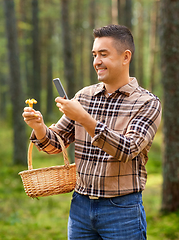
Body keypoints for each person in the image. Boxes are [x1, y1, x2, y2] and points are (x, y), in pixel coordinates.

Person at [22, 24, 162, 240]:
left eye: (103, 54)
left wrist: (85, 119)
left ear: (126, 57)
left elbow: (128, 149)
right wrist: (39, 127)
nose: (96, 61)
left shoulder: (146, 103)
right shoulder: (84, 96)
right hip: (80, 207)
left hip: (122, 209)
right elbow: (54, 145)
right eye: (95, 54)